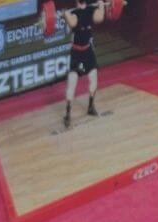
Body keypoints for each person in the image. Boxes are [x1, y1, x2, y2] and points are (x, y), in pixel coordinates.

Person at [62, 0, 106, 129]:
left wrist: (65, 14)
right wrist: (102, 5)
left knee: (74, 83)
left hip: (81, 51)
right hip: (83, 51)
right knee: (92, 80)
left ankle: (69, 114)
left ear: (76, 1)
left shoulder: (74, 14)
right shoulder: (92, 11)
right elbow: (100, 18)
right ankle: (88, 108)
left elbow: (71, 23)